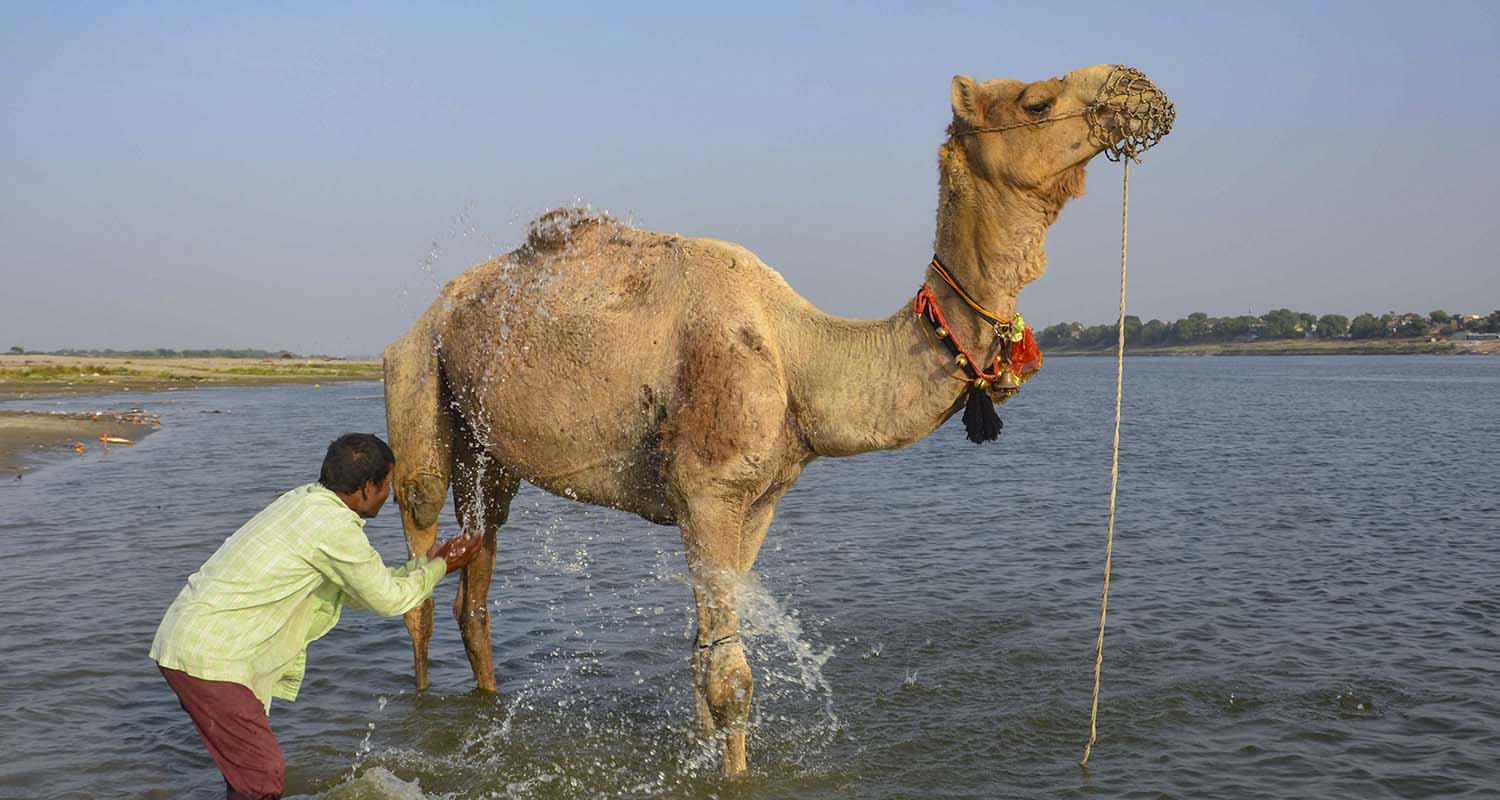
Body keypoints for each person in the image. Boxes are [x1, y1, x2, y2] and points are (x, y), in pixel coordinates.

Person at [150, 432, 480, 800]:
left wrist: (427, 565)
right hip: (210, 656)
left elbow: (362, 590)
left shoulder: (306, 502)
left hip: (197, 643)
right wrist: (443, 565)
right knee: (263, 773)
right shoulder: (334, 527)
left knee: (247, 772)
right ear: (368, 487)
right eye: (387, 485)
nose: (391, 496)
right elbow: (388, 601)